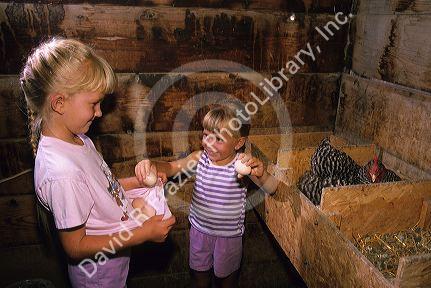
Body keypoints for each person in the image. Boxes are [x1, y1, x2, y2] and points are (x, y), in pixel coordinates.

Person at [20, 37, 175, 288]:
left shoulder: (78, 139)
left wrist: (138, 183)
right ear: (59, 103)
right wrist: (142, 233)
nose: (100, 112)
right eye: (93, 104)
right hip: (98, 278)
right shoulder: (62, 173)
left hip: (113, 266)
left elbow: (101, 187)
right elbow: (76, 246)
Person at [152, 105, 278, 288]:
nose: (209, 143)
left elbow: (272, 188)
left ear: (238, 143)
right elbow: (171, 168)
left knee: (227, 280)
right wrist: (152, 165)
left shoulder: (242, 165)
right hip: (199, 232)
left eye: (218, 139)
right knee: (200, 278)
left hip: (229, 237)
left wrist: (261, 173)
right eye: (206, 135)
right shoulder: (199, 158)